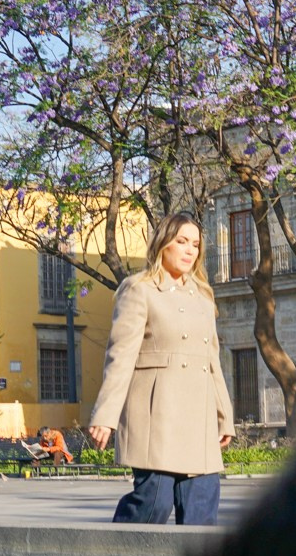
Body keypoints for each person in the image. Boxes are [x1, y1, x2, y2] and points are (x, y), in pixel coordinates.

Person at [86, 212, 233, 525]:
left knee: (201, 512)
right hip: (157, 416)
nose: (189, 250)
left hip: (199, 420)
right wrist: (105, 415)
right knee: (153, 503)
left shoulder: (204, 297)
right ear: (163, 244)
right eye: (181, 242)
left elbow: (212, 362)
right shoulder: (139, 289)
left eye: (195, 244)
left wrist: (225, 417)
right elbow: (121, 356)